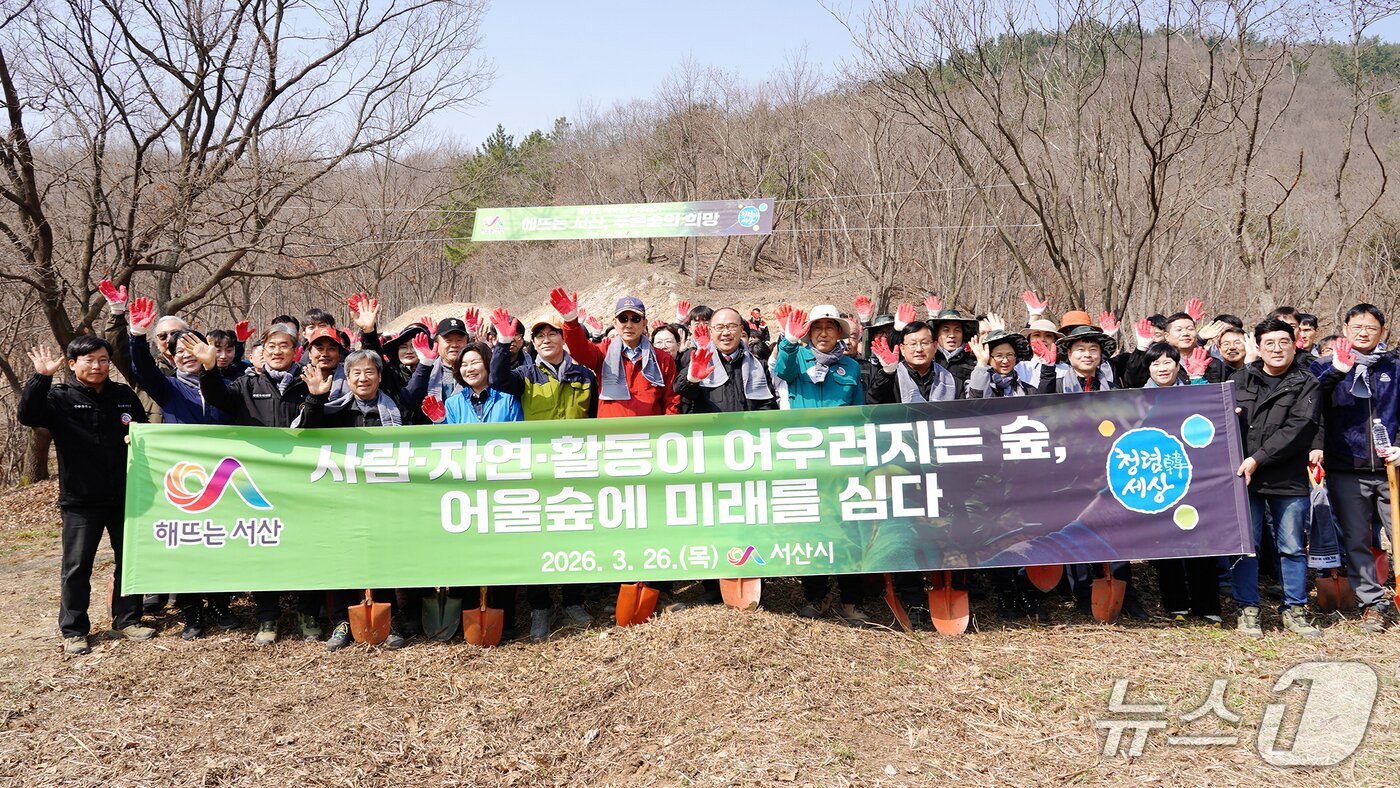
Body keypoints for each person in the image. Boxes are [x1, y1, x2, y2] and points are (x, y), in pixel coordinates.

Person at [18, 337, 155, 655]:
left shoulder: (122, 395)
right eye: (89, 360)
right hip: (81, 499)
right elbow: (28, 414)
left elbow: (144, 430)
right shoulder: (58, 397)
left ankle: (128, 619)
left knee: (130, 561)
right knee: (77, 566)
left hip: (126, 496)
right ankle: (74, 629)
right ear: (72, 364)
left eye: (104, 360)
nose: (97, 366)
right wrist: (41, 377)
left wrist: (134, 439)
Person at [192, 323, 324, 645]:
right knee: (264, 546)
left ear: (297, 351)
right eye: (270, 346)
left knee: (306, 547)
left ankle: (308, 614)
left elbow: (321, 430)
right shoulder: (246, 384)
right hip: (256, 482)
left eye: (284, 346)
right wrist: (208, 369)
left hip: (301, 481)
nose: (277, 351)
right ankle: (267, 617)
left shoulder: (309, 382)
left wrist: (318, 398)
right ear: (262, 351)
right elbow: (217, 397)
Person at [487, 309, 598, 639]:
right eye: (539, 336)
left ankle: (573, 601)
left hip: (576, 466)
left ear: (564, 339)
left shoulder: (584, 376)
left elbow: (595, 419)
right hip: (537, 469)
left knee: (574, 531)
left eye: (552, 334)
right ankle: (540, 608)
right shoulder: (524, 375)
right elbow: (496, 379)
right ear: (532, 344)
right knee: (537, 535)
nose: (546, 340)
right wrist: (503, 343)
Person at [298, 349, 410, 650]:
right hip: (342, 499)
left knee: (384, 556)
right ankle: (341, 621)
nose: (363, 378)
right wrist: (315, 397)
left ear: (379, 376)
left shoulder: (395, 411)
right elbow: (304, 433)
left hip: (385, 497)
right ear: (346, 379)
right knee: (343, 558)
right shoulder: (334, 411)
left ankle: (388, 619)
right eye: (356, 373)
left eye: (369, 372)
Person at [771, 304, 870, 625]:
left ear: (840, 333)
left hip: (842, 462)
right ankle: (816, 595)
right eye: (817, 328)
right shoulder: (797, 358)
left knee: (848, 528)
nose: (824, 333)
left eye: (830, 327)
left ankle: (851, 599)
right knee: (812, 528)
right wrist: (788, 340)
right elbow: (783, 370)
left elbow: (858, 415)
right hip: (806, 461)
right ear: (809, 332)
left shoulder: (851, 368)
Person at [1229, 319, 1323, 638]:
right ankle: (1248, 609)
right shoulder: (1240, 379)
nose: (1277, 349)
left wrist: (1257, 458)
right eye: (1269, 343)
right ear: (1258, 346)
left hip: (1287, 477)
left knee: (1293, 546)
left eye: (1284, 342)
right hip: (1245, 478)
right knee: (1246, 546)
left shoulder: (1306, 381)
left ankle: (1295, 609)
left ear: (1295, 344)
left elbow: (1299, 428)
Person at [1311, 304, 1399, 632]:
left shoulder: (1394, 367)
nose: (1363, 332)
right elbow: (1312, 402)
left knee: (1399, 534)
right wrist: (1337, 370)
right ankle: (1372, 603)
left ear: (1382, 333)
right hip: (1347, 468)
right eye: (1357, 326)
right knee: (1357, 538)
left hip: (1392, 466)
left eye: (1371, 328)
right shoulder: (1325, 367)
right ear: (1345, 327)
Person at [1139, 342, 1223, 625]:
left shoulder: (1196, 388)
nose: (1162, 368)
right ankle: (1176, 604)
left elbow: (1209, 418)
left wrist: (1198, 382)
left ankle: (1208, 604)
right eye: (1155, 363)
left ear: (1178, 365)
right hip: (1158, 476)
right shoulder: (1140, 398)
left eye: (1167, 362)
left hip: (1197, 475)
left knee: (1201, 539)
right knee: (1167, 542)